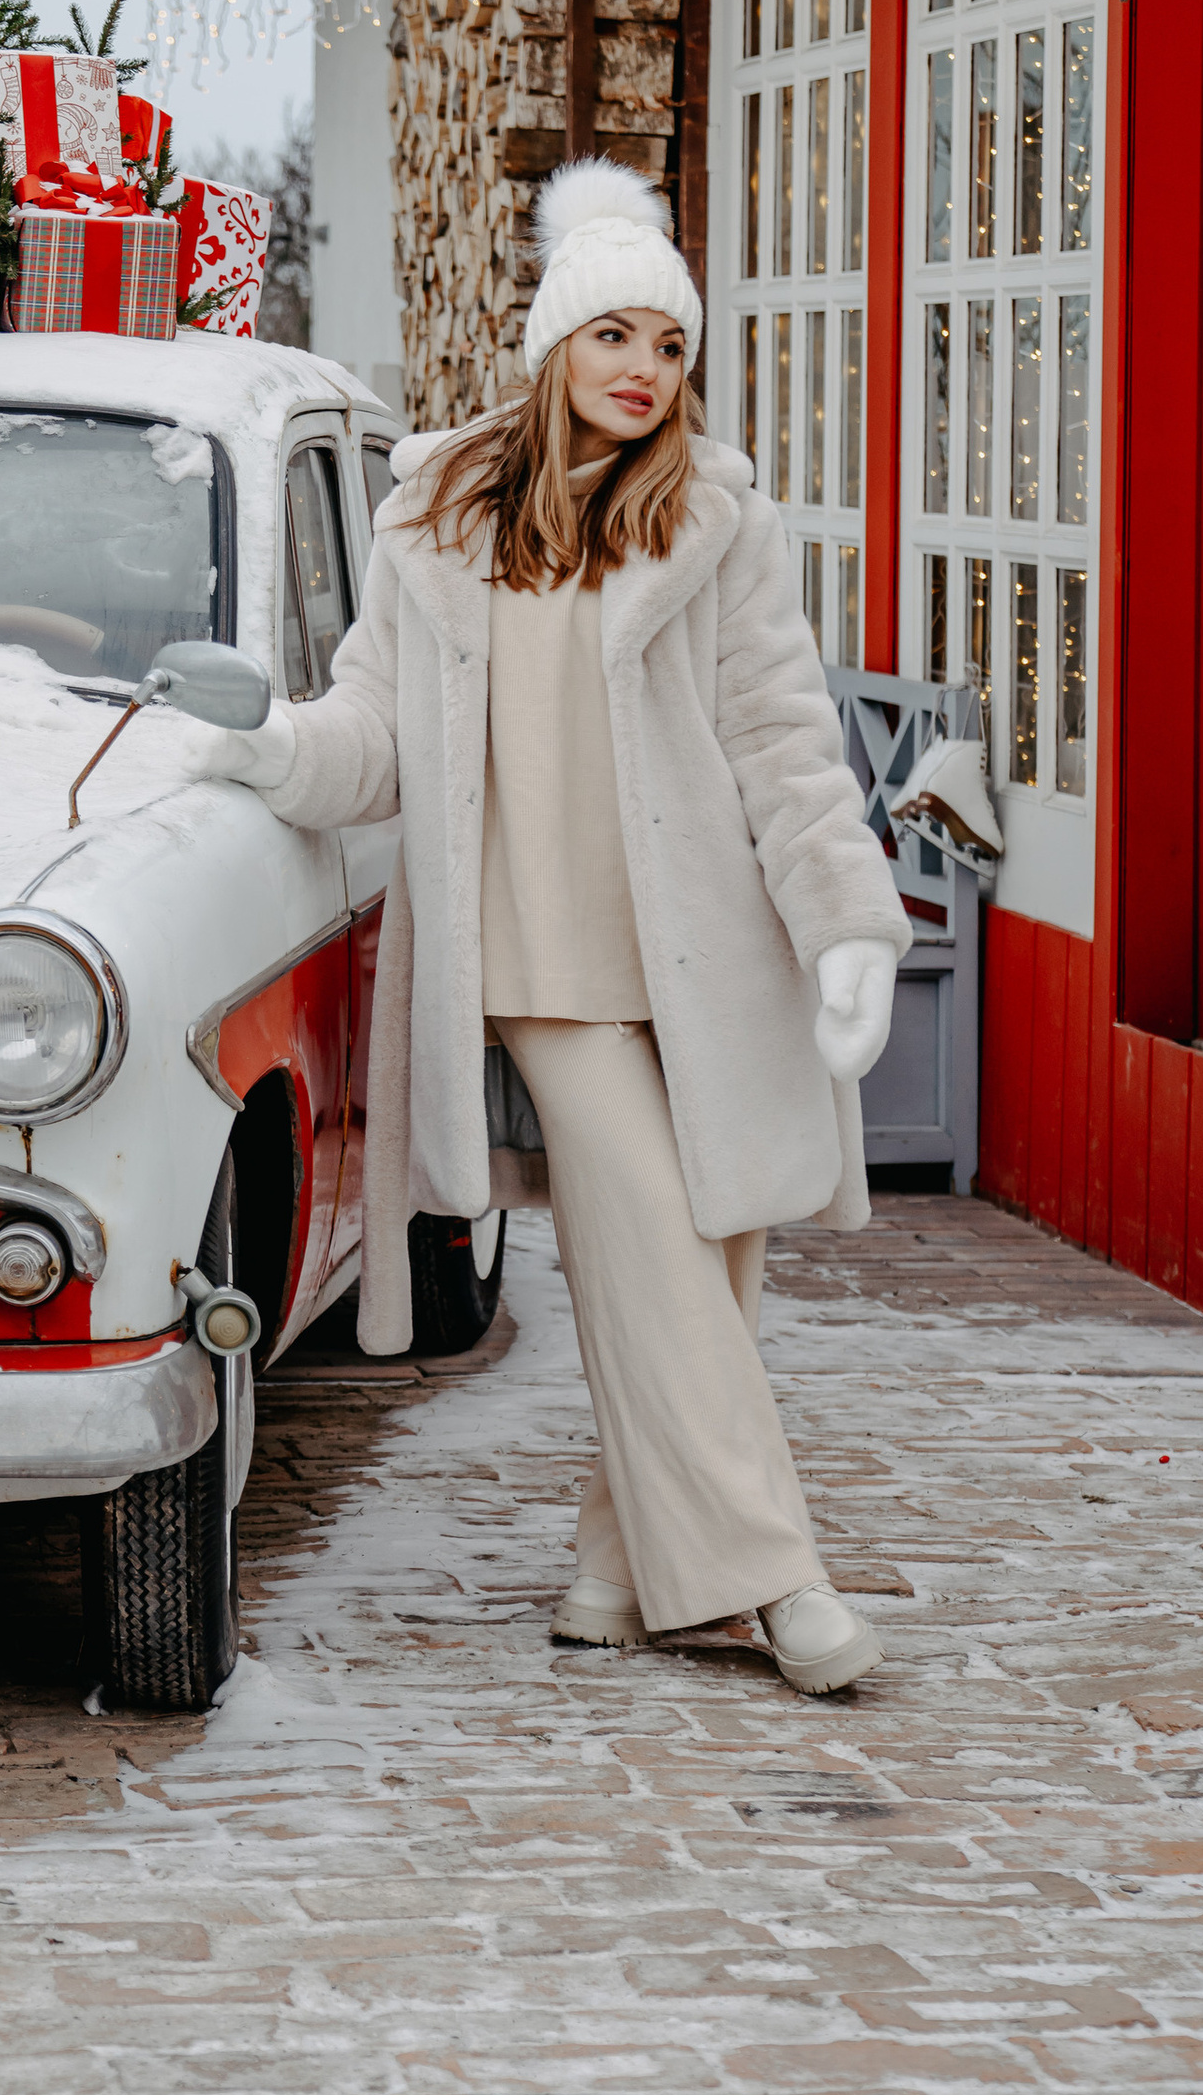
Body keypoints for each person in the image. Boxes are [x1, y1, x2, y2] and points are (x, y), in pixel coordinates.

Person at [203, 160, 911, 1698]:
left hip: (716, 958)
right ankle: (774, 1580)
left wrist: (848, 921)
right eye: (616, 338)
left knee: (705, 1272)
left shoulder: (716, 522)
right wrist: (277, 751)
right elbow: (376, 732)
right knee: (654, 1254)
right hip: (546, 970)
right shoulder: (440, 520)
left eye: (669, 345)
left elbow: (786, 744)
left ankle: (615, 1567)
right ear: (552, 349)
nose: (645, 371)